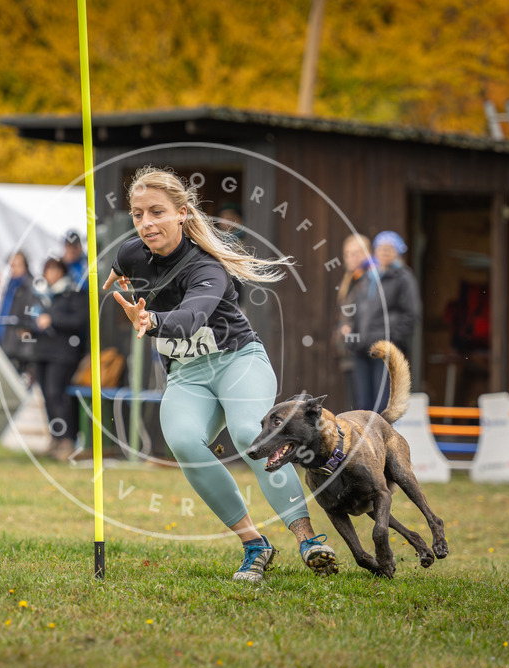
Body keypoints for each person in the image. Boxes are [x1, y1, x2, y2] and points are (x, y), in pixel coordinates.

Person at [103, 166, 337, 583]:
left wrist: (150, 319)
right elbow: (122, 263)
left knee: (251, 434)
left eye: (157, 212)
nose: (146, 223)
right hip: (187, 376)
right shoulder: (131, 251)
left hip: (238, 361)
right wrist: (117, 276)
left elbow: (192, 318)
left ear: (182, 214)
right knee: (182, 442)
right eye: (138, 214)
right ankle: (255, 545)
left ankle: (307, 538)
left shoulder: (207, 268)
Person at [346, 230, 420, 414]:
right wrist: (353, 337)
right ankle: (364, 443)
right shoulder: (366, 278)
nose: (385, 252)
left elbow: (411, 314)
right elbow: (357, 312)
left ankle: (382, 442)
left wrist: (392, 340)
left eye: (390, 249)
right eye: (381, 248)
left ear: (398, 252)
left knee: (383, 405)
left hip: (385, 349)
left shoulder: (403, 278)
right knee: (363, 404)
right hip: (362, 348)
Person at [28, 257, 89, 460]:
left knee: (58, 395)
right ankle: (55, 437)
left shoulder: (73, 293)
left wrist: (53, 320)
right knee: (47, 397)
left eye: (55, 270)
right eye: (48, 270)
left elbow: (80, 320)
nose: (51, 274)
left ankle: (67, 440)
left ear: (62, 271)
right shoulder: (41, 295)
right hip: (42, 352)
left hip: (63, 354)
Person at [336, 234, 374, 410]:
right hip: (349, 350)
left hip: (363, 348)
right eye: (348, 254)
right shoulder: (350, 280)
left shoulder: (371, 280)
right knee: (355, 404)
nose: (352, 258)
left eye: (357, 253)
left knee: (365, 405)